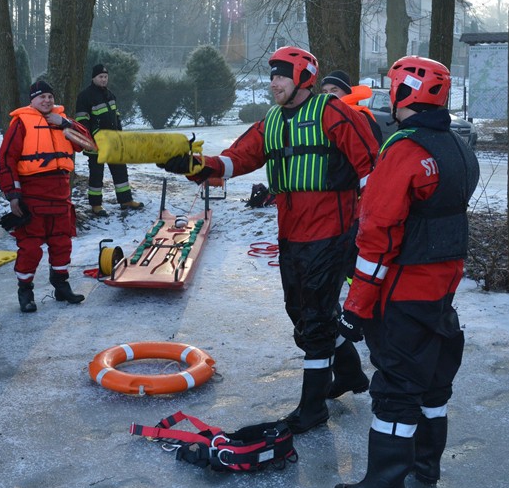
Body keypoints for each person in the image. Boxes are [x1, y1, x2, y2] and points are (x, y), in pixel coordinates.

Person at [160, 46, 378, 434]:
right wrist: (194, 166)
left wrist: (370, 229)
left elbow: (371, 172)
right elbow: (234, 160)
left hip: (331, 233)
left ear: (303, 78)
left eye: (281, 75)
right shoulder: (272, 122)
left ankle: (312, 409)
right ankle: (350, 374)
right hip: (291, 234)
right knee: (301, 314)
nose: (273, 82)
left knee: (313, 321)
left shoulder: (334, 113)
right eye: (272, 75)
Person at [332, 56, 480, 488]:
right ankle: (426, 464)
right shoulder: (458, 147)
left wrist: (355, 307)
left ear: (401, 93)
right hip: (443, 291)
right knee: (433, 384)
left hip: (403, 292)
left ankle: (385, 484)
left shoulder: (403, 151)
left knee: (396, 388)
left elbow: (376, 237)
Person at [0, 80, 88, 312]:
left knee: (62, 242)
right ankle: (25, 291)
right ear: (32, 100)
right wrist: (13, 194)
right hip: (33, 195)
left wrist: (65, 124)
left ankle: (61, 285)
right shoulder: (21, 123)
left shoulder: (63, 121)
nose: (47, 101)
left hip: (60, 194)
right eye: (41, 97)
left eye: (50, 96)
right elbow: (7, 159)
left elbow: (88, 144)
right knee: (30, 246)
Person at [75, 63, 144, 217]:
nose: (104, 79)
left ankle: (125, 200)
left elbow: (116, 118)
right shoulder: (84, 96)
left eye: (106, 77)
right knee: (96, 175)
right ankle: (96, 205)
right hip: (96, 144)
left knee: (120, 172)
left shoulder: (110, 95)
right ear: (94, 78)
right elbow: (82, 122)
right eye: (101, 77)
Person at [320, 70, 384, 145]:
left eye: (334, 90)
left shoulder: (360, 116)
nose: (328, 95)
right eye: (325, 92)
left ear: (347, 92)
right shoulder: (321, 114)